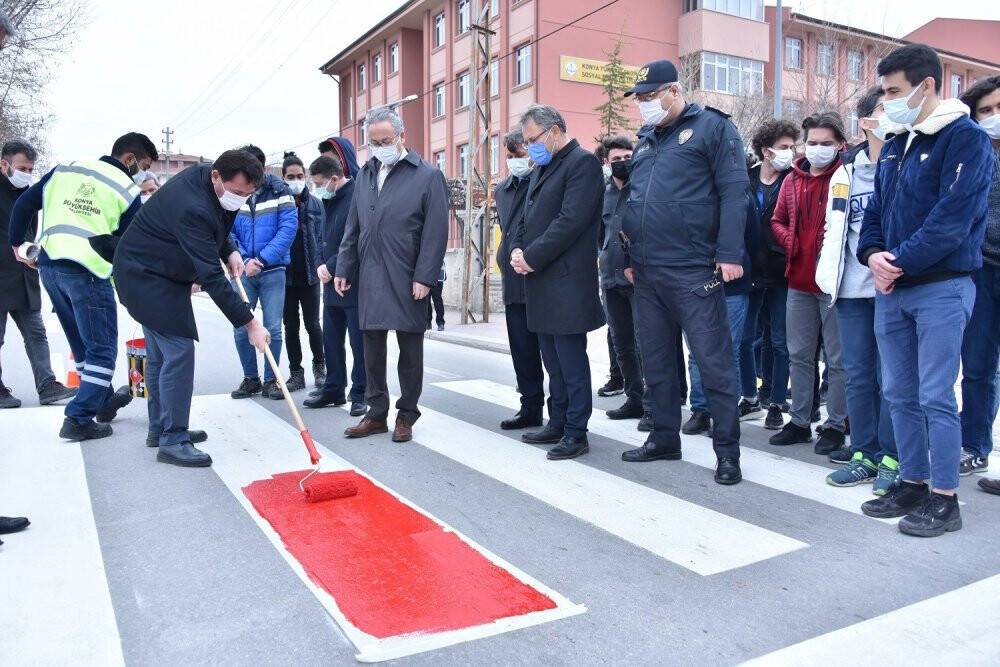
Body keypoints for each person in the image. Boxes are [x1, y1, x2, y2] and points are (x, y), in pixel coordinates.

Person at [858, 44, 995, 536]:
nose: (889, 101)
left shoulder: (966, 140)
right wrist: (872, 254)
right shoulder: (899, 141)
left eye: (895, 91)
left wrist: (898, 262)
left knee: (936, 393)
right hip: (893, 286)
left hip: (941, 285)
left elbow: (952, 220)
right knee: (899, 391)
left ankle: (944, 497)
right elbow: (877, 210)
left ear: (928, 84)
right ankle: (912, 482)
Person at [618, 59, 748, 485]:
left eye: (650, 96)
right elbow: (632, 201)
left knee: (714, 364)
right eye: (639, 98)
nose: (644, 105)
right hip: (648, 270)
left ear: (674, 90)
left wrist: (730, 253)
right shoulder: (646, 141)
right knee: (656, 360)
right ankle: (664, 437)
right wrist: (628, 258)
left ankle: (727, 452)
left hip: (694, 268)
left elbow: (734, 192)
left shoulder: (713, 128)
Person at [114, 150, 270, 467]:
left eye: (248, 195)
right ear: (216, 176)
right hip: (146, 277)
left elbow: (218, 225)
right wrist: (250, 322)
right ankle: (173, 438)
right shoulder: (192, 206)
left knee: (160, 356)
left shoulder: (207, 181)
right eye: (237, 192)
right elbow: (211, 277)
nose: (240, 200)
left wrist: (230, 250)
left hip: (157, 272)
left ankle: (160, 428)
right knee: (178, 352)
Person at [9, 132, 157, 440]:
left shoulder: (66, 169)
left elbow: (23, 205)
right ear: (129, 159)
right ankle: (78, 418)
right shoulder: (127, 189)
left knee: (82, 343)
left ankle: (101, 401)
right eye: (143, 165)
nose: (143, 173)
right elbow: (127, 248)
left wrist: (16, 245)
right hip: (88, 273)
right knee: (102, 350)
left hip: (49, 267)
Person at [334, 108, 449, 442]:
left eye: (385, 140)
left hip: (408, 273)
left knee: (410, 347)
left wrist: (425, 276)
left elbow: (435, 232)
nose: (380, 147)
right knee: (371, 347)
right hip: (370, 272)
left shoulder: (427, 176)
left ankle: (406, 415)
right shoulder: (365, 176)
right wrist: (344, 266)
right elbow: (352, 226)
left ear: (402, 136)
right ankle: (376, 412)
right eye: (373, 142)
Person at [816, 88, 901, 494]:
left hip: (892, 289)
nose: (895, 115)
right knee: (858, 376)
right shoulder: (845, 172)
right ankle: (864, 451)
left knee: (892, 379)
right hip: (850, 290)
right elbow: (835, 230)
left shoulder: (903, 165)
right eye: (885, 109)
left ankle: (892, 455)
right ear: (867, 121)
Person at [509, 104, 606, 460]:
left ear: (554, 130)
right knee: (551, 359)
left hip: (566, 282)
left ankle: (577, 431)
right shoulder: (543, 166)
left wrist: (531, 257)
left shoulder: (582, 163)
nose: (530, 145)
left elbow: (570, 222)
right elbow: (525, 217)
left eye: (534, 138)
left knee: (571, 361)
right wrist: (518, 249)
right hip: (540, 281)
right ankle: (558, 420)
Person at [768, 112, 849, 456]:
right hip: (798, 281)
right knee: (799, 354)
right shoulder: (792, 180)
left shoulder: (846, 177)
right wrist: (792, 243)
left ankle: (835, 425)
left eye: (826, 143)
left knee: (838, 359)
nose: (818, 149)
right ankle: (800, 421)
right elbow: (777, 220)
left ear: (840, 145)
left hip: (834, 285)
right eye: (813, 142)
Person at [0, 140, 76, 409]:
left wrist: (32, 251)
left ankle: (47, 386)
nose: (27, 174)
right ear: (4, 164)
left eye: (31, 169)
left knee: (36, 333)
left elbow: (29, 232)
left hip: (24, 275)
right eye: (22, 167)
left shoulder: (30, 195)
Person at [741, 119, 798, 431]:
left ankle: (776, 402)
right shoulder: (745, 178)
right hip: (749, 269)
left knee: (780, 340)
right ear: (766, 150)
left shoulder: (793, 179)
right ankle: (749, 397)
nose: (790, 153)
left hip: (782, 271)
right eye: (784, 147)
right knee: (745, 338)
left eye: (792, 147)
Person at [957, 76, 1000, 486]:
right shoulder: (973, 153)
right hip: (982, 269)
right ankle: (974, 446)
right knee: (978, 366)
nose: (993, 117)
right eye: (985, 111)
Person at [229, 145, 297, 401]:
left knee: (272, 328)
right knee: (240, 327)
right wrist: (245, 259)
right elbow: (228, 231)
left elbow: (288, 229)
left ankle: (271, 380)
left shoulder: (281, 191)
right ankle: (251, 379)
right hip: (242, 271)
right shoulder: (235, 193)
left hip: (273, 270)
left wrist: (262, 259)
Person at [305, 146, 368, 417]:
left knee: (359, 342)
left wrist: (331, 266)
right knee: (331, 339)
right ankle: (334, 387)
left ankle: (360, 394)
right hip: (329, 283)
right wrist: (320, 263)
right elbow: (320, 236)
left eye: (319, 184)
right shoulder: (324, 200)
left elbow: (354, 238)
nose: (317, 189)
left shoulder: (357, 195)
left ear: (334, 178)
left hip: (353, 281)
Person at [495, 129, 545, 430]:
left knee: (550, 352)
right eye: (510, 157)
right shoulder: (502, 190)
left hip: (541, 276)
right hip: (513, 280)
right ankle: (530, 406)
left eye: (520, 155)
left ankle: (561, 410)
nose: (515, 162)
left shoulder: (544, 182)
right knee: (522, 349)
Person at [599, 135, 647, 423]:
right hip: (610, 278)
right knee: (622, 342)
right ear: (607, 162)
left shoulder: (641, 189)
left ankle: (654, 405)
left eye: (627, 158)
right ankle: (634, 398)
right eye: (616, 159)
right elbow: (599, 234)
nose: (622, 164)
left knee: (646, 342)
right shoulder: (603, 194)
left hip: (639, 278)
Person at [279, 152, 326, 392]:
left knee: (313, 324)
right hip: (285, 277)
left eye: (299, 175)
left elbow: (323, 237)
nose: (295, 180)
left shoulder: (316, 204)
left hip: (310, 276)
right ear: (283, 177)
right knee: (290, 326)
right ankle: (296, 373)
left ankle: (320, 367)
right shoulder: (279, 202)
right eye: (290, 176)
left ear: (305, 176)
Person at [426, 263, 446, 331]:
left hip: (437, 278)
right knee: (426, 301)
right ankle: (427, 322)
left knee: (437, 300)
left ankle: (440, 322)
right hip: (426, 278)